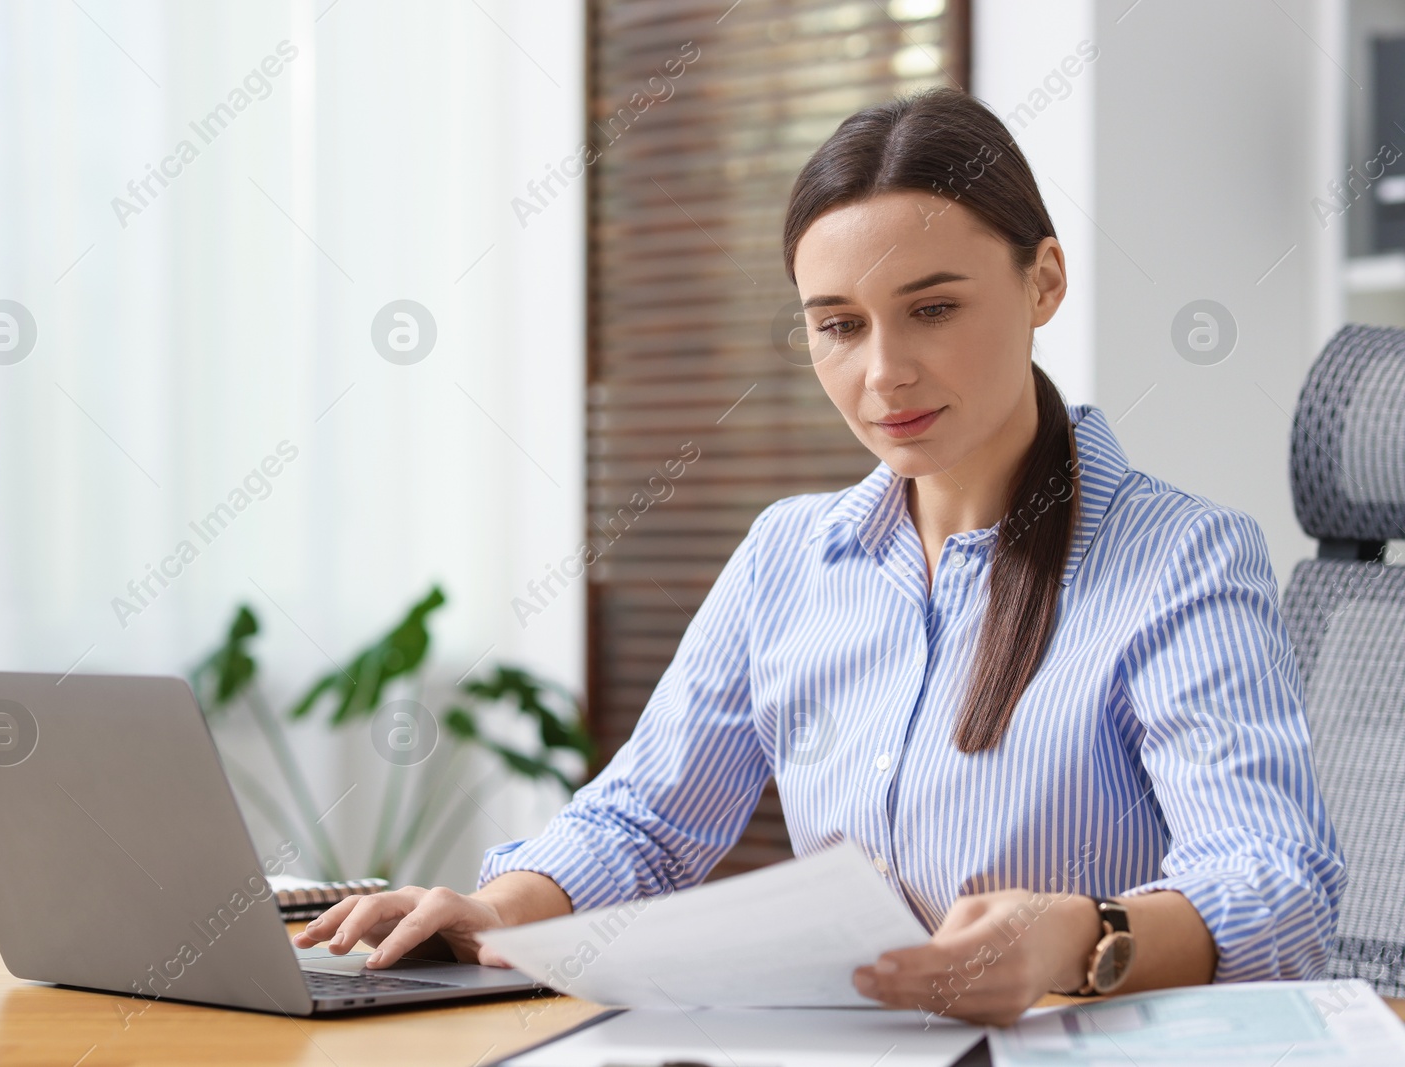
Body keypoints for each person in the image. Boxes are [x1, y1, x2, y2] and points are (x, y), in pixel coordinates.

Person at [293, 87, 1345, 1025]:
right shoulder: (787, 557)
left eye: (932, 308)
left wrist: (1072, 937)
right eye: (838, 325)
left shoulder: (1180, 557)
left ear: (1044, 281)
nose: (884, 372)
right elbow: (649, 819)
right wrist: (491, 912)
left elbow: (1277, 886)